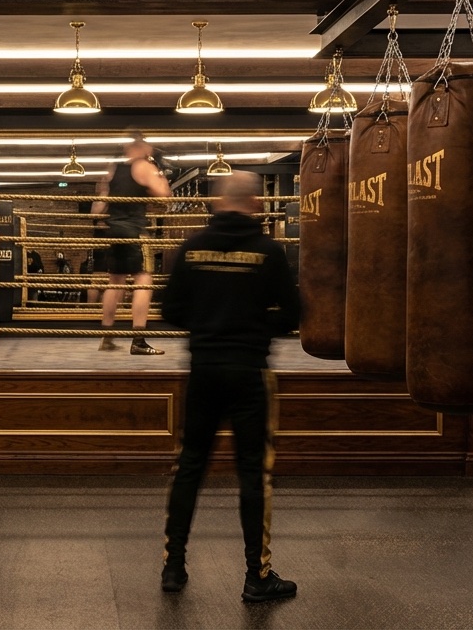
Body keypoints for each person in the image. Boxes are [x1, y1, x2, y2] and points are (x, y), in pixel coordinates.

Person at [157, 171, 301, 603]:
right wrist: (253, 329)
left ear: (217, 204)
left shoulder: (191, 248)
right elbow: (292, 315)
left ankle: (173, 567)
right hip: (249, 372)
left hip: (203, 370)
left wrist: (207, 329)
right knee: (253, 473)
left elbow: (170, 310)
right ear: (255, 203)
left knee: (189, 467)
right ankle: (256, 577)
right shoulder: (269, 251)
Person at [93, 134, 171, 355]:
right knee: (144, 280)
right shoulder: (144, 166)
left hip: (114, 231)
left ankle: (106, 338)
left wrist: (102, 219)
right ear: (141, 146)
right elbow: (164, 196)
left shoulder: (113, 168)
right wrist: (159, 171)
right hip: (135, 231)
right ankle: (138, 339)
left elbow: (99, 204)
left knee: (115, 281)